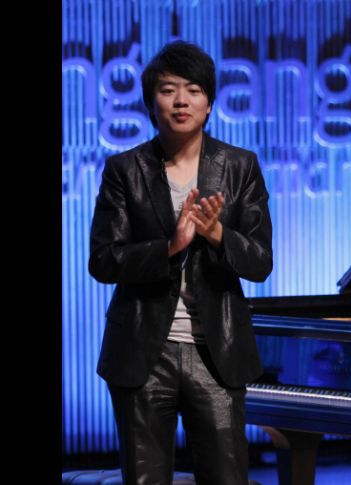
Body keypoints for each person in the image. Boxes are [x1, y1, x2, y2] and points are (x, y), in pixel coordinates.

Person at [89, 40, 272, 485]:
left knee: (227, 477)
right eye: (169, 89)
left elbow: (261, 261)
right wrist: (170, 246)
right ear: (153, 102)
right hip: (142, 354)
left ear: (210, 103)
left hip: (217, 351)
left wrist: (216, 235)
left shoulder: (239, 166)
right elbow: (103, 261)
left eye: (193, 89)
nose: (181, 100)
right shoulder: (124, 169)